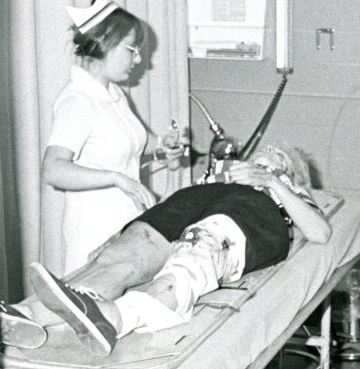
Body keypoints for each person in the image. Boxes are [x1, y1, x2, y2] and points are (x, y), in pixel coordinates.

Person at [0, 145, 330, 356]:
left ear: (290, 173)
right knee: (116, 260)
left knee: (189, 261)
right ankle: (24, 316)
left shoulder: (285, 189)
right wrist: (119, 235)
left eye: (277, 155)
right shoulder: (224, 173)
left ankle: (114, 318)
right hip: (188, 204)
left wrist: (272, 182)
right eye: (265, 150)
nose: (267, 150)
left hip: (244, 213)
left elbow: (320, 231)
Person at [43, 0, 157, 274]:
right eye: (132, 49)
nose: (138, 58)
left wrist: (166, 146)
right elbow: (53, 170)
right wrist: (116, 179)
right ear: (106, 44)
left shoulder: (113, 93)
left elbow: (129, 143)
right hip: (94, 231)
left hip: (127, 224)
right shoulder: (77, 101)